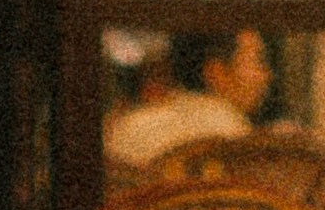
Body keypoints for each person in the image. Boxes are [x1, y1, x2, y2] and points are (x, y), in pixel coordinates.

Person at [102, 16, 271, 174]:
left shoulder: (128, 127)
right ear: (217, 73)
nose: (267, 75)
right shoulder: (232, 132)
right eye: (258, 61)